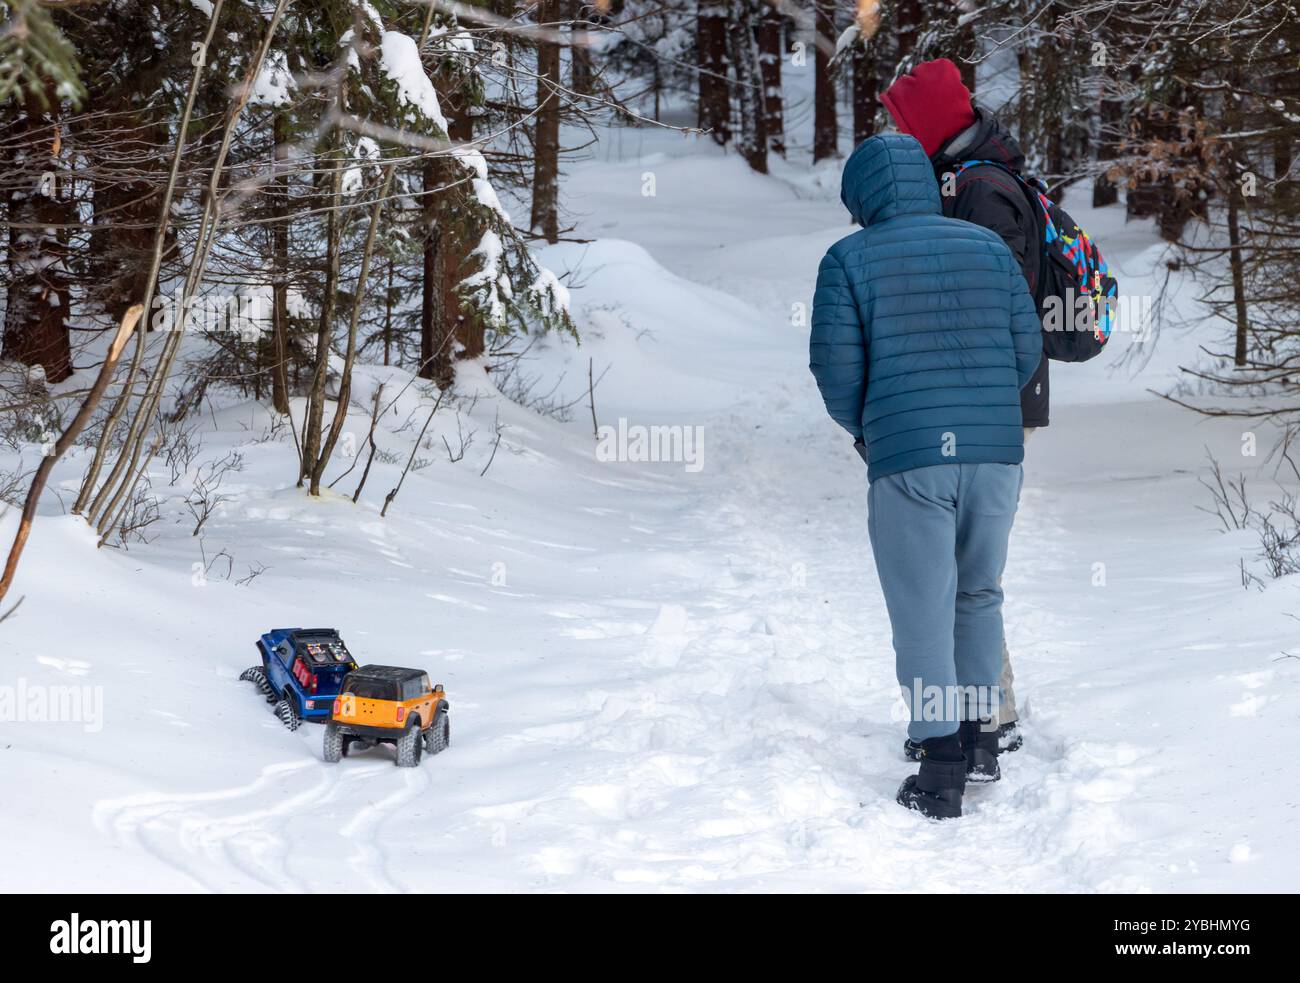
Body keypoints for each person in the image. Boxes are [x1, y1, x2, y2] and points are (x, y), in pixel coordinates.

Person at [809, 133, 1041, 819]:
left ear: (864, 198)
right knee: (978, 594)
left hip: (910, 456)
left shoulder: (848, 259)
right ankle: (980, 743)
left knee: (922, 610)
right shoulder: (987, 247)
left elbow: (835, 369)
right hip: (997, 455)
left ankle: (941, 765)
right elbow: (1025, 348)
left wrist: (871, 429)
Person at [881, 57, 1044, 757]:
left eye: (901, 121)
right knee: (963, 570)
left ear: (930, 122)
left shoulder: (981, 189)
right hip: (983, 398)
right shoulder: (970, 175)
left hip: (989, 402)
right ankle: (980, 714)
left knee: (970, 573)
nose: (895, 131)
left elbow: (994, 306)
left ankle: (989, 715)